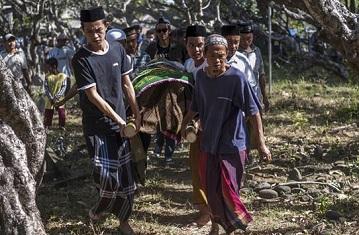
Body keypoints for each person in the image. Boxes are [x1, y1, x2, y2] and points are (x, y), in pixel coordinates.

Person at [181, 34, 271, 235]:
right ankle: (215, 226)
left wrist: (261, 143)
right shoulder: (202, 78)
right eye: (213, 56)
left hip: (233, 144)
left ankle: (232, 226)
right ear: (205, 56)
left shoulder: (236, 78)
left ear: (227, 55)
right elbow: (196, 107)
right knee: (211, 189)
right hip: (208, 143)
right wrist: (185, 124)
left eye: (222, 56)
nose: (218, 60)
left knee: (228, 189)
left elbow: (253, 112)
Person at [72, 6, 140, 234]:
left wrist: (136, 114)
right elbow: (93, 96)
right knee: (105, 176)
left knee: (126, 179)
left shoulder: (118, 52)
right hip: (97, 127)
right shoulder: (81, 59)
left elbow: (127, 84)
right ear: (83, 31)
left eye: (99, 29)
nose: (95, 34)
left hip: (121, 126)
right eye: (89, 31)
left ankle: (123, 222)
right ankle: (99, 209)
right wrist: (120, 120)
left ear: (106, 26)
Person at [183, 24, 210, 227]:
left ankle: (210, 212)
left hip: (210, 124)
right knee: (196, 167)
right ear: (186, 45)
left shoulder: (210, 66)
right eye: (192, 45)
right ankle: (204, 210)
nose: (196, 49)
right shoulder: (188, 65)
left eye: (200, 45)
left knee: (208, 168)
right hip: (194, 124)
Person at [221, 25, 258, 101]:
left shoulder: (243, 60)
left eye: (236, 42)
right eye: (229, 42)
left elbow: (251, 85)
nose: (233, 46)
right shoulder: (212, 60)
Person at [238, 22, 270, 112]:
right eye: (242, 39)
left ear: (253, 37)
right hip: (240, 98)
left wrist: (265, 97)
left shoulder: (257, 51)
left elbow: (261, 74)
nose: (245, 42)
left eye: (249, 38)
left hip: (256, 96)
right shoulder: (233, 54)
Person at [43, 57, 67, 129]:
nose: (48, 69)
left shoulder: (62, 76)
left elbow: (64, 87)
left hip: (59, 98)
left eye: (49, 67)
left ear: (54, 66)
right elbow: (46, 88)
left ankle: (61, 125)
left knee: (61, 112)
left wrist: (57, 96)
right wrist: (51, 97)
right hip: (49, 99)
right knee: (48, 112)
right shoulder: (47, 76)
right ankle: (47, 125)